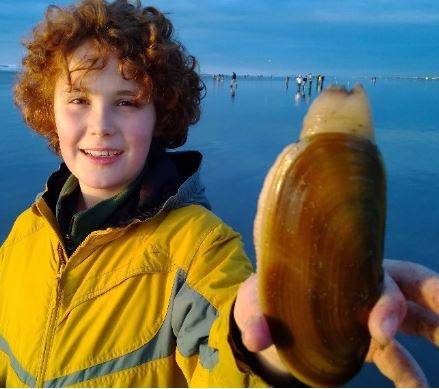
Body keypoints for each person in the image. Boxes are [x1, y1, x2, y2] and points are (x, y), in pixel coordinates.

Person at [0, 0, 437, 387]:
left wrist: (278, 339)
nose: (100, 124)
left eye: (128, 101)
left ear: (161, 114)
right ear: (47, 109)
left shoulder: (201, 249)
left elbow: (228, 361)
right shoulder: (25, 233)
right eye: (78, 100)